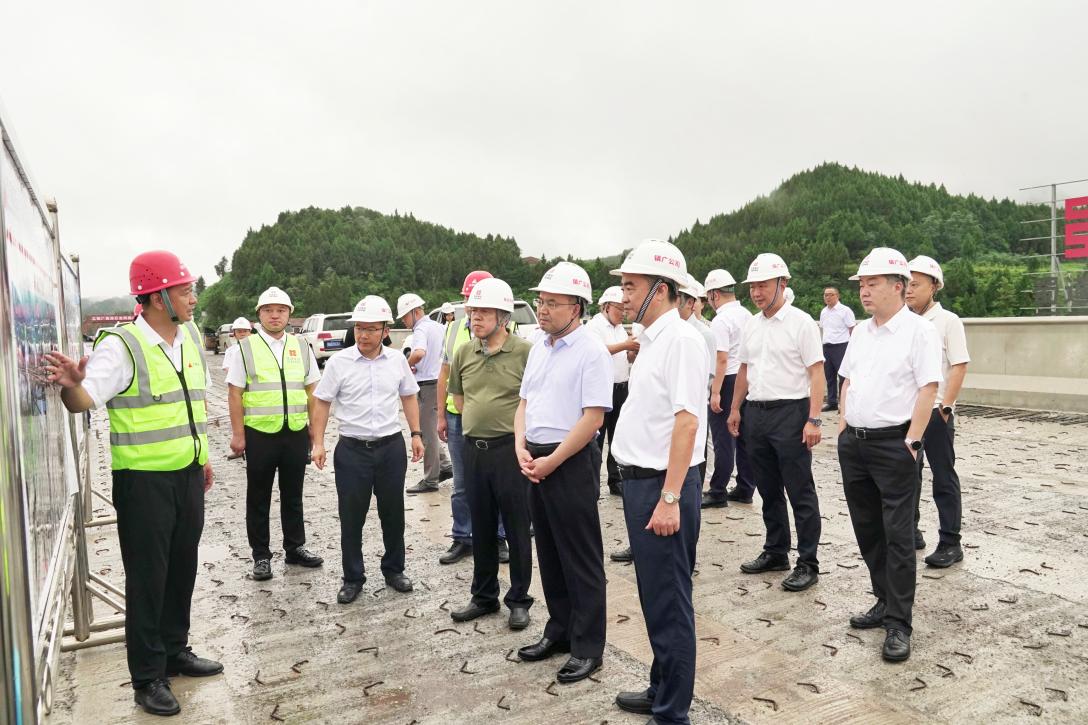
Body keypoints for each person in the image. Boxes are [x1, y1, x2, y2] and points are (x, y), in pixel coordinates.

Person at [45, 251, 222, 717]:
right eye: (185, 290)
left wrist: (202, 458)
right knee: (148, 579)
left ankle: (174, 650)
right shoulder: (121, 345)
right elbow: (82, 400)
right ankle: (147, 677)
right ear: (158, 297)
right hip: (143, 483)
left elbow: (193, 404)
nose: (193, 298)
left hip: (188, 474)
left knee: (182, 568)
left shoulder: (190, 337)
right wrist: (70, 384)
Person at [609, 240, 708, 725]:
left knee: (670, 602)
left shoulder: (681, 341)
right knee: (656, 596)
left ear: (662, 289)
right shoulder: (651, 340)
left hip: (662, 486)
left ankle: (672, 714)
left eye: (631, 286)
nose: (623, 295)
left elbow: (687, 422)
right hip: (641, 484)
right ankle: (660, 686)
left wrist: (669, 497)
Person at [838, 247, 941, 663]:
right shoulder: (861, 332)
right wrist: (843, 424)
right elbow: (847, 379)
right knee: (867, 529)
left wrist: (913, 441)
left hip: (894, 445)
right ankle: (883, 600)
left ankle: (899, 622)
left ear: (899, 286)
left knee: (898, 535)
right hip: (855, 444)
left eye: (873, 283)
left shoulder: (919, 332)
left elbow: (928, 388)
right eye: (862, 284)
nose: (864, 290)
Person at [515, 262, 613, 683]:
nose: (543, 309)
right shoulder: (539, 347)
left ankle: (588, 646)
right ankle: (560, 631)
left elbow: (593, 418)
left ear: (576, 307)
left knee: (581, 557)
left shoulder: (591, 351)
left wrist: (552, 460)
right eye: (541, 301)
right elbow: (524, 402)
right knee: (550, 553)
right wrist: (519, 446)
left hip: (569, 461)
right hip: (534, 459)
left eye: (552, 303)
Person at [309, 296, 425, 604]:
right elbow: (322, 402)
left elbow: (409, 396)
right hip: (352, 451)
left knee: (393, 513)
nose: (363, 335)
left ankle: (394, 569)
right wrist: (318, 442)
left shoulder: (397, 361)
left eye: (371, 329)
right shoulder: (338, 363)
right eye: (359, 328)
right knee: (351, 516)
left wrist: (416, 434)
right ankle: (352, 577)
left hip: (390, 448)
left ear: (386, 330)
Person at [727, 253, 825, 593]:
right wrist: (736, 408)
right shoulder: (751, 325)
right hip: (756, 413)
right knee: (767, 488)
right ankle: (776, 551)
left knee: (800, 490)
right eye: (752, 287)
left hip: (791, 413)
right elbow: (744, 369)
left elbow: (816, 373)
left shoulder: (802, 323)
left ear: (782, 283)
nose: (756, 292)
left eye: (763, 285)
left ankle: (808, 562)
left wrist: (814, 419)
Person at [447, 278, 535, 630]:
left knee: (516, 527)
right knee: (481, 526)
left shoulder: (525, 352)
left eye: (484, 312)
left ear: (503, 316)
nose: (475, 318)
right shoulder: (464, 352)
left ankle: (519, 600)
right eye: (472, 311)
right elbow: (459, 399)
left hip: (510, 451)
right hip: (474, 450)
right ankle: (484, 596)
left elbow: (534, 402)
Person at [228, 286, 323, 581]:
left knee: (293, 494)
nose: (274, 315)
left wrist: (314, 429)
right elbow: (234, 393)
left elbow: (312, 391)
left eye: (281, 310)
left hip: (295, 432)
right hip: (260, 434)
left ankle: (295, 547)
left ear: (289, 314)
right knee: (258, 497)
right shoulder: (245, 348)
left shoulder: (301, 346)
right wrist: (238, 434)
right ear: (259, 315)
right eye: (268, 310)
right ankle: (261, 556)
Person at [435, 271, 508, 565]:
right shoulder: (453, 329)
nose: (473, 308)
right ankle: (463, 537)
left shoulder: (508, 325)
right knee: (462, 483)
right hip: (457, 418)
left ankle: (499, 538)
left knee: (498, 483)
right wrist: (440, 415)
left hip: (496, 422)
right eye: (469, 300)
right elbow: (443, 374)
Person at [906, 255, 970, 566]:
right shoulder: (904, 322)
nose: (909, 290)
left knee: (943, 476)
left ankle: (950, 542)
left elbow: (959, 365)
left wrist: (946, 407)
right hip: (908, 411)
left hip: (935, 412)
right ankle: (911, 532)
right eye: (906, 284)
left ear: (934, 286)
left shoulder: (948, 321)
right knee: (909, 474)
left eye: (916, 284)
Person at [702, 268, 756, 507]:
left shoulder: (721, 320)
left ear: (714, 294)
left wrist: (715, 392)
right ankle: (745, 487)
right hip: (746, 378)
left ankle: (718, 491)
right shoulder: (747, 315)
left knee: (723, 438)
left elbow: (721, 359)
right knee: (743, 436)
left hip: (727, 380)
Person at [397, 292, 453, 493]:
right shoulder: (439, 327)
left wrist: (405, 365)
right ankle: (445, 466)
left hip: (427, 385)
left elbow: (419, 352)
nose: (403, 321)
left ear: (415, 312)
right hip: (441, 382)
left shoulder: (420, 329)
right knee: (430, 429)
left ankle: (430, 480)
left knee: (426, 434)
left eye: (404, 316)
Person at [584, 285, 636, 496]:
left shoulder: (620, 329)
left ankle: (615, 480)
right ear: (606, 306)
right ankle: (591, 483)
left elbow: (624, 356)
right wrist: (626, 345)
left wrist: (633, 351)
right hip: (603, 389)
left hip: (621, 387)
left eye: (624, 309)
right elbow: (598, 351)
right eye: (619, 308)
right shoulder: (594, 326)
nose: (622, 313)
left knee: (618, 435)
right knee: (597, 437)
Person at [678, 275, 716, 484]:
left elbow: (709, 375)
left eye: (679, 299)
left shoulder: (705, 334)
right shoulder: (668, 331)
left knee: (695, 452)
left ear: (691, 303)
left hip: (694, 406)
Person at [818, 286, 856, 412]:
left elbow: (852, 328)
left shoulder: (845, 310)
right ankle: (832, 402)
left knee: (843, 376)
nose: (828, 297)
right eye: (825, 295)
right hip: (827, 346)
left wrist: (851, 347)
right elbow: (823, 328)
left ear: (837, 296)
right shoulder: (824, 312)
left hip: (841, 346)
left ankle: (843, 404)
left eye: (831, 294)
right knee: (829, 376)